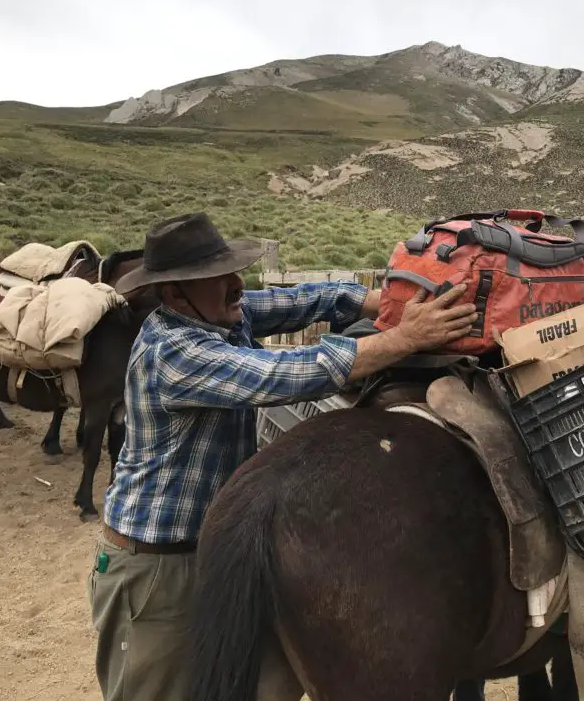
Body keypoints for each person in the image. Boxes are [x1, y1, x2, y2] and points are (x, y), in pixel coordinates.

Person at [85, 211, 479, 701]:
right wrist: (404, 339)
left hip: (206, 547)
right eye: (216, 278)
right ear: (173, 294)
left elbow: (301, 299)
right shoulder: (173, 351)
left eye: (231, 270)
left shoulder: (220, 314)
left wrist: (386, 300)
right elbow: (284, 373)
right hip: (156, 567)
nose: (235, 284)